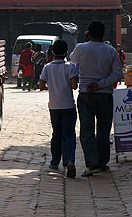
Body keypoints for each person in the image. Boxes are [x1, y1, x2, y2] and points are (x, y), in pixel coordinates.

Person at [70, 21, 122, 176]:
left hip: (86, 94)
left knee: (87, 130)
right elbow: (117, 74)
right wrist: (100, 85)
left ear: (88, 33)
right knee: (104, 130)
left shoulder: (81, 47)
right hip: (105, 95)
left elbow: (72, 59)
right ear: (103, 34)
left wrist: (85, 41)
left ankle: (92, 163)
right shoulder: (111, 50)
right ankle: (102, 162)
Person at [39, 40, 78, 178]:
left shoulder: (47, 67)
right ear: (66, 52)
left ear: (53, 52)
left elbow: (41, 85)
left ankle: (55, 161)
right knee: (69, 134)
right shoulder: (70, 67)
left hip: (54, 106)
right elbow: (74, 86)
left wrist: (51, 88)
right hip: (68, 105)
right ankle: (69, 160)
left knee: (56, 133)